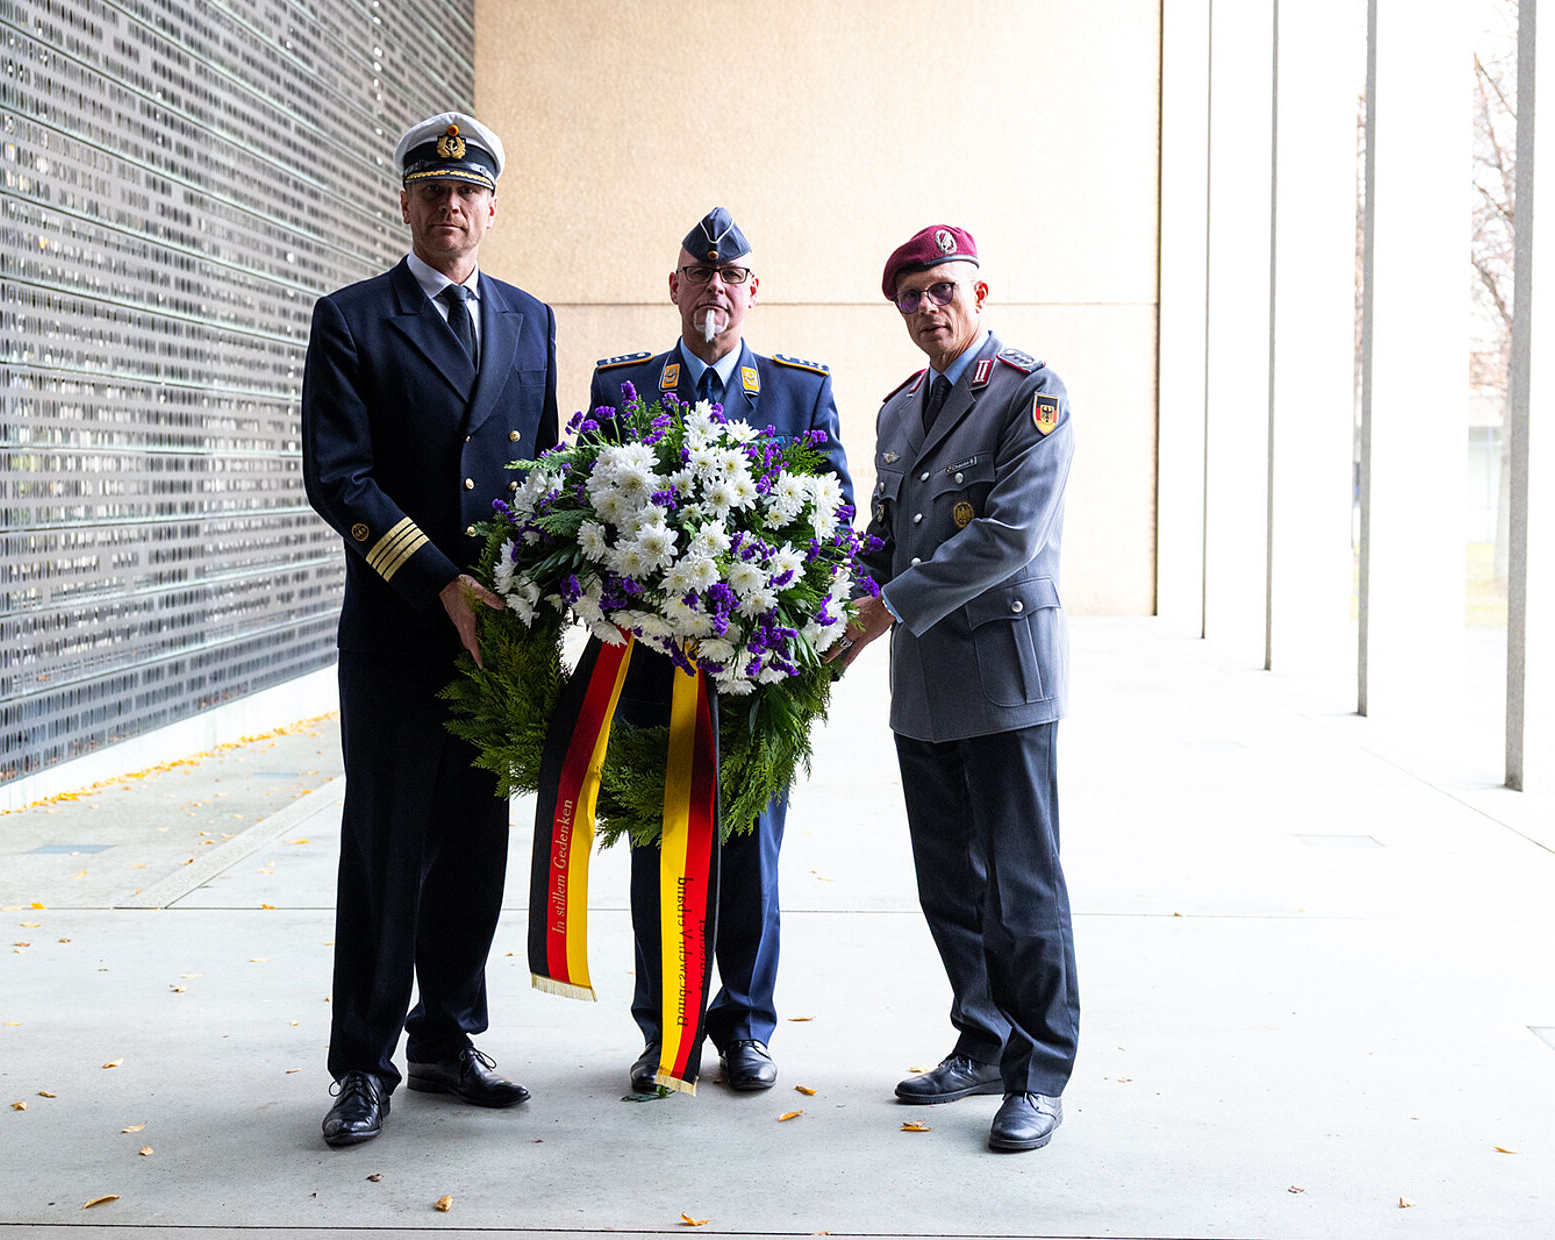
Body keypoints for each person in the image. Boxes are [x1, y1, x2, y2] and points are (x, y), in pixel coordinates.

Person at [301, 111, 559, 1147]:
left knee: (473, 845)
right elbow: (339, 476)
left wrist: (541, 601)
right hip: (403, 630)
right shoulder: (352, 319)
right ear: (405, 203)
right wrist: (442, 581)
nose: (451, 206)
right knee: (386, 846)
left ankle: (447, 1035)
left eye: (469, 191)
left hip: (499, 643)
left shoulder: (534, 320)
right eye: (432, 190)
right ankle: (362, 1061)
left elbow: (549, 480)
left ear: (493, 207)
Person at [586, 207, 853, 1096]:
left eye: (731, 277)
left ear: (752, 292)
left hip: (755, 673)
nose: (715, 291)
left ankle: (744, 1027)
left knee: (750, 850)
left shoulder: (798, 393)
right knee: (656, 844)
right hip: (650, 673)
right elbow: (586, 517)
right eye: (699, 276)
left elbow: (837, 527)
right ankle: (665, 1029)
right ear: (674, 287)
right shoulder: (622, 386)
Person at [832, 224, 1080, 1153]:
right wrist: (835, 619)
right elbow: (882, 539)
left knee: (1021, 885)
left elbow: (1009, 536)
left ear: (981, 293)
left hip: (1006, 677)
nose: (928, 307)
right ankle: (981, 1041)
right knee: (949, 882)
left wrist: (884, 607)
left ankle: (1039, 1071)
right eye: (911, 296)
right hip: (924, 683)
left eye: (943, 289)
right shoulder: (901, 411)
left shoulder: (1030, 395)